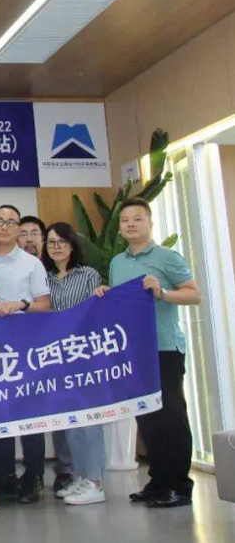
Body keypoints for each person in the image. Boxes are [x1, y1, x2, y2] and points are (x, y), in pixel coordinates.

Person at [96, 198, 201, 508]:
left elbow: (194, 294)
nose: (130, 224)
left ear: (150, 223)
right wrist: (106, 295)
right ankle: (158, 482)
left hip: (164, 347)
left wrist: (162, 292)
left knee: (171, 416)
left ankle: (179, 485)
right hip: (134, 350)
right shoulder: (117, 262)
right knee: (147, 416)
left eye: (137, 219)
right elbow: (120, 304)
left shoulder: (167, 257)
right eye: (125, 220)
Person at [0, 205, 51, 508]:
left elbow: (44, 305)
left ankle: (33, 477)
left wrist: (21, 304)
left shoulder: (32, 263)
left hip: (25, 348)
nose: (5, 226)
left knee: (28, 415)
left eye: (11, 222)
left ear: (18, 227)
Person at [42, 222, 107, 505]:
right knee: (70, 421)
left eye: (62, 242)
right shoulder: (43, 279)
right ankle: (81, 477)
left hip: (84, 355)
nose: (56, 247)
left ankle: (96, 481)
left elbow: (98, 311)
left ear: (72, 245)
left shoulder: (89, 275)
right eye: (51, 242)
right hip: (57, 357)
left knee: (89, 420)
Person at [19, 214, 74, 494]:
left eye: (35, 233)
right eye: (23, 233)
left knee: (63, 411)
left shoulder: (57, 273)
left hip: (61, 351)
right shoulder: (18, 269)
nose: (29, 239)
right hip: (27, 350)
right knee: (30, 413)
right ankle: (33, 473)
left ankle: (66, 470)